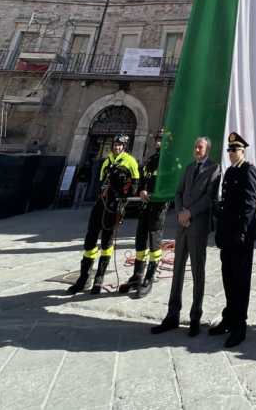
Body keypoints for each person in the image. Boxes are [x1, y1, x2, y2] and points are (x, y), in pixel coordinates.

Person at [151, 136, 221, 336]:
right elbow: (179, 192)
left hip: (198, 226)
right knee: (177, 271)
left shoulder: (214, 169)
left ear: (207, 150)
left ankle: (195, 317)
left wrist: (190, 213)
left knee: (198, 272)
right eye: (195, 147)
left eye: (199, 147)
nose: (196, 150)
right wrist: (181, 211)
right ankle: (172, 315)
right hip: (182, 226)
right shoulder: (189, 168)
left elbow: (209, 197)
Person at [66, 134, 140, 295]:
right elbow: (101, 181)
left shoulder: (131, 162)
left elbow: (135, 184)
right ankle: (83, 278)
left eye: (120, 145)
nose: (117, 147)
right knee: (90, 238)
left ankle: (99, 279)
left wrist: (123, 196)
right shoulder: (107, 161)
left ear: (124, 147)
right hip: (101, 203)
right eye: (115, 144)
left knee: (107, 241)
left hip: (114, 206)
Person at [209, 132, 256, 348]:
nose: (231, 153)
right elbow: (226, 203)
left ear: (243, 151)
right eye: (229, 150)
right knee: (228, 276)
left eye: (235, 150)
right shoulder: (229, 172)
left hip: (241, 235)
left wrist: (242, 231)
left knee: (240, 280)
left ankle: (240, 325)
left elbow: (249, 204)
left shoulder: (248, 170)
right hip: (227, 233)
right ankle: (229, 317)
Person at [120, 129, 169, 298]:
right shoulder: (150, 160)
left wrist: (154, 195)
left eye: (161, 139)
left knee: (154, 239)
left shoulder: (169, 160)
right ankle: (137, 274)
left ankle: (150, 276)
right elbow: (142, 179)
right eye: (157, 138)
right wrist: (141, 191)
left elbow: (171, 185)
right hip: (145, 205)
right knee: (140, 237)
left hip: (158, 205)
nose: (158, 141)